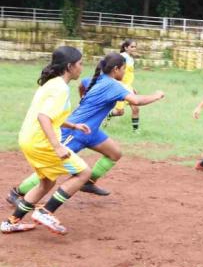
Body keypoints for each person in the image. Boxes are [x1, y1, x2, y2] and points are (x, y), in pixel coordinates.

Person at [6, 52, 165, 205]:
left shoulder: (98, 79)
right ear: (116, 69)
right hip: (74, 131)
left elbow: (83, 85)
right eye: (123, 68)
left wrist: (85, 98)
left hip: (90, 130)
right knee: (52, 168)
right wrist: (157, 95)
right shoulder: (112, 86)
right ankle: (17, 192)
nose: (125, 71)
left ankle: (87, 182)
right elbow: (136, 101)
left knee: (115, 153)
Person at [1, 46, 92, 235]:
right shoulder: (61, 88)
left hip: (28, 139)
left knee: (47, 182)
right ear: (69, 66)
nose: (82, 68)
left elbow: (50, 115)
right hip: (42, 142)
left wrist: (73, 126)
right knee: (84, 173)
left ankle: (11, 222)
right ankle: (45, 211)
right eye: (80, 64)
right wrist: (57, 146)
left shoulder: (51, 84)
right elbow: (44, 117)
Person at [107, 39, 140, 132]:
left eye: (135, 47)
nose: (134, 49)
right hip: (120, 87)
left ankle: (135, 130)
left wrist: (131, 87)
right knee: (119, 112)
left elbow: (128, 76)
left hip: (127, 87)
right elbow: (114, 72)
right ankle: (107, 115)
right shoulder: (121, 58)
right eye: (132, 47)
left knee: (135, 108)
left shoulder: (131, 59)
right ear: (126, 47)